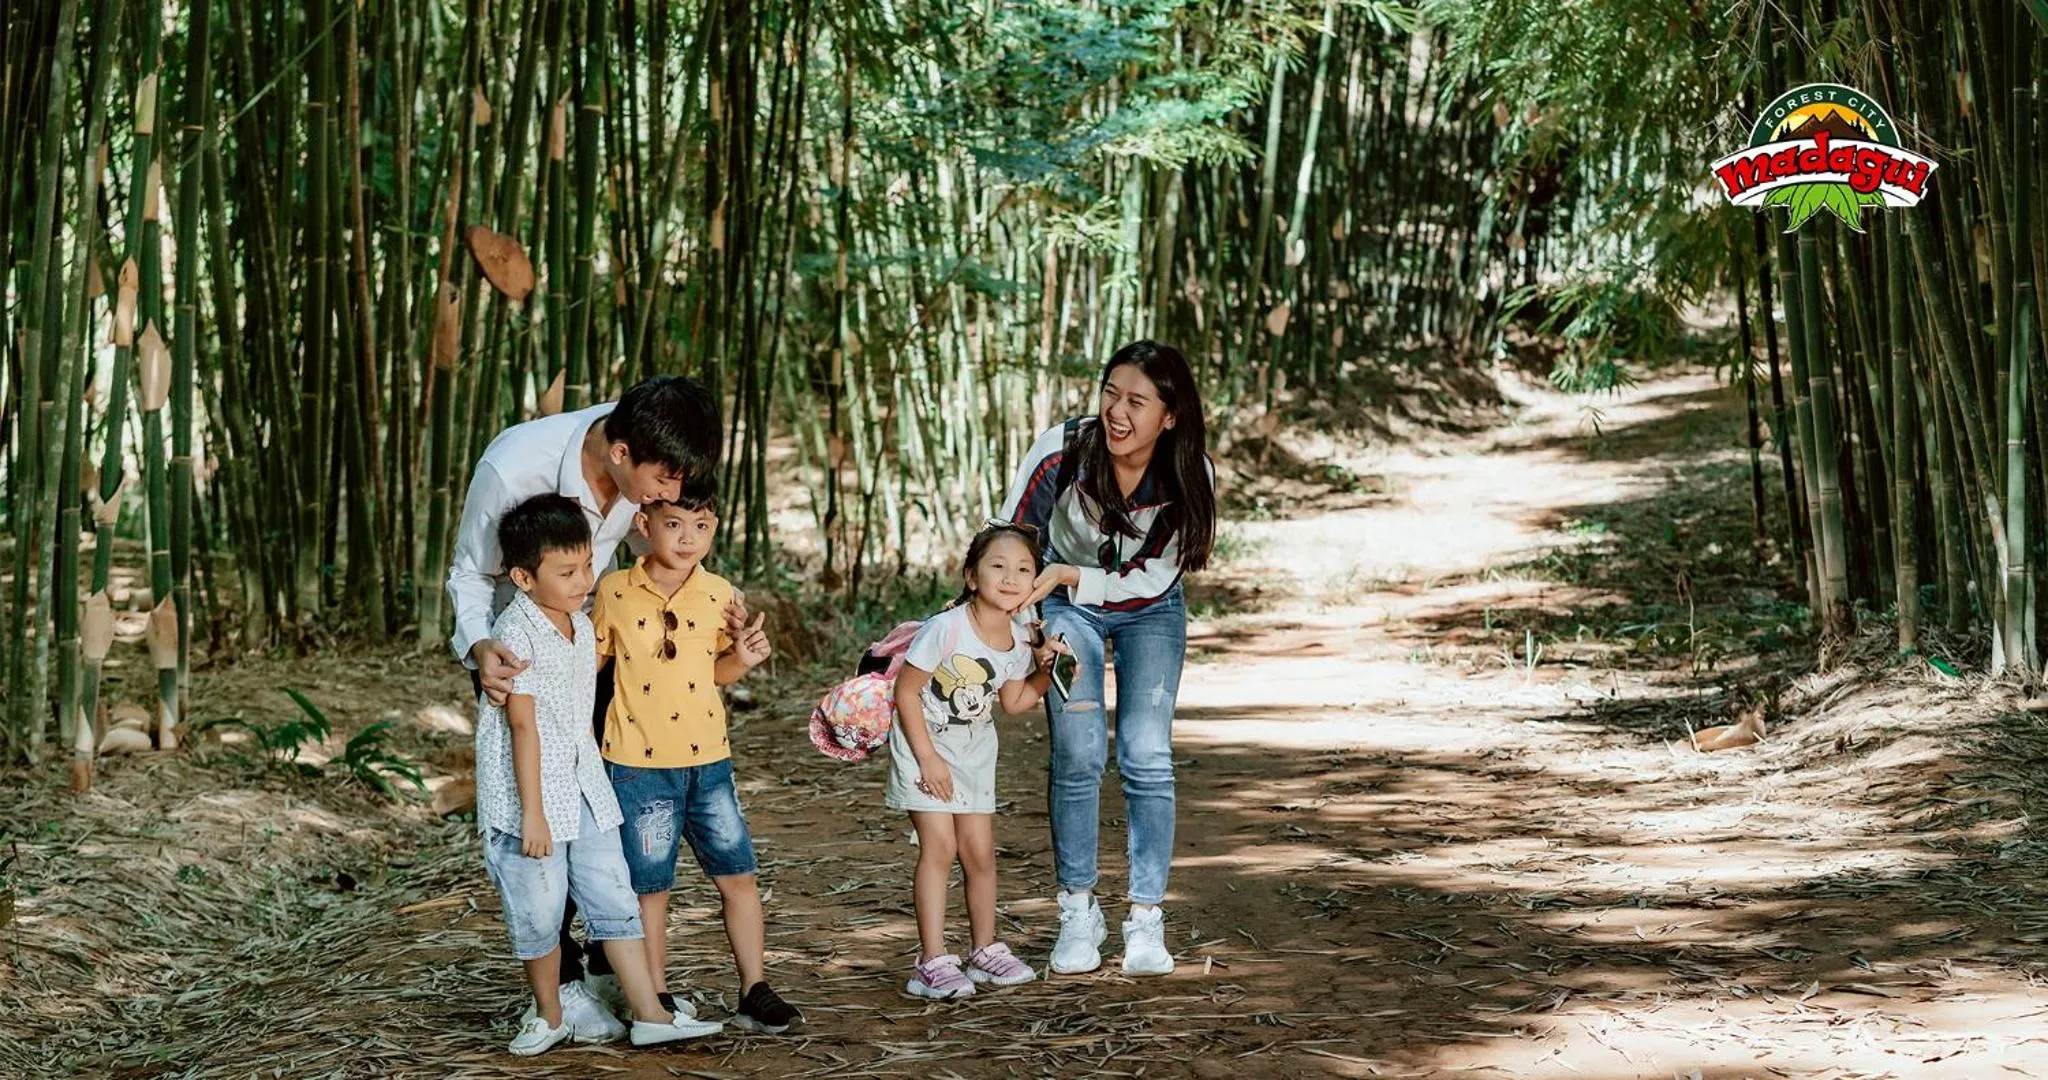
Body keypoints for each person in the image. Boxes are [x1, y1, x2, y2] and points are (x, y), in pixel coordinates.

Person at [447, 374, 738, 1036]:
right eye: (664, 481)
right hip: (515, 649)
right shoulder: (513, 466)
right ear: (620, 453)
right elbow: (469, 572)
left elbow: (654, 544)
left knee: (608, 801)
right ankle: (565, 984)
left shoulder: (645, 442)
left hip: (595, 641)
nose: (671, 495)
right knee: (539, 813)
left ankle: (617, 971)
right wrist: (480, 648)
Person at [473, 494, 724, 1055]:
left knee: (614, 894)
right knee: (539, 907)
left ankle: (650, 1012)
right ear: (522, 576)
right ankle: (549, 1014)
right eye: (566, 572)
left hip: (584, 782)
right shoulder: (515, 633)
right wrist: (533, 813)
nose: (583, 580)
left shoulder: (581, 628)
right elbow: (523, 729)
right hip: (526, 796)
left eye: (588, 565)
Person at [999, 340, 1216, 978]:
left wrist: (1075, 574)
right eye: (1111, 393)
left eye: (1137, 401)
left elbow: (1153, 580)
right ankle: (1077, 909)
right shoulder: (1062, 449)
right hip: (1065, 610)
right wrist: (1027, 628)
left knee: (1146, 756)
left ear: (1169, 415)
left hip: (1150, 609)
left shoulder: (1188, 472)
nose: (1118, 412)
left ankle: (1146, 918)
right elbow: (1012, 541)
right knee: (1079, 751)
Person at [588, 483, 804, 1033]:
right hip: (637, 765)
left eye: (702, 526)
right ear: (644, 524)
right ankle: (656, 998)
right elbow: (586, 667)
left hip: (709, 762)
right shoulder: (614, 591)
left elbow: (714, 671)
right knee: (650, 888)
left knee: (738, 876)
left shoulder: (719, 594)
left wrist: (744, 658)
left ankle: (754, 989)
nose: (689, 538)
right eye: (675, 524)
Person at [887, 522, 1059, 999]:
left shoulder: (1022, 635)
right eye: (997, 566)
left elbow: (1014, 702)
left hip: (976, 750)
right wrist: (928, 759)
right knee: (939, 848)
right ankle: (931, 961)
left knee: (980, 853)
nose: (1010, 577)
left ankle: (984, 950)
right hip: (925, 743)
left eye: (1024, 569)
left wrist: (1044, 674)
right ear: (971, 576)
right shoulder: (946, 628)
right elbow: (906, 691)